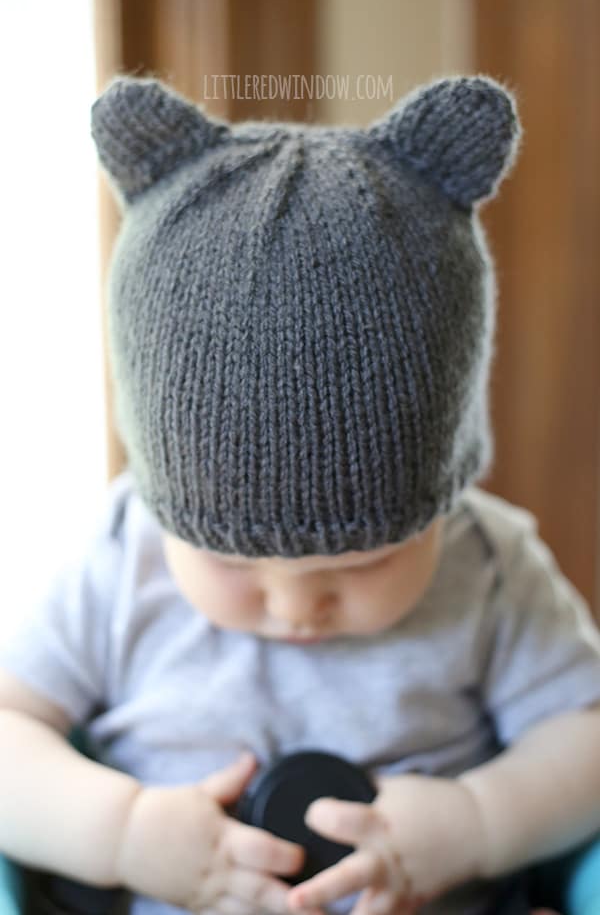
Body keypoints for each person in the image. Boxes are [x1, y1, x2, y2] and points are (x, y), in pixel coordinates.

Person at [0, 73, 599, 915]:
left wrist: (476, 821)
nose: (296, 605)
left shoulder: (489, 569)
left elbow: (587, 737)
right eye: (229, 555)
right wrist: (124, 830)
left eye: (370, 558)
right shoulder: (119, 561)